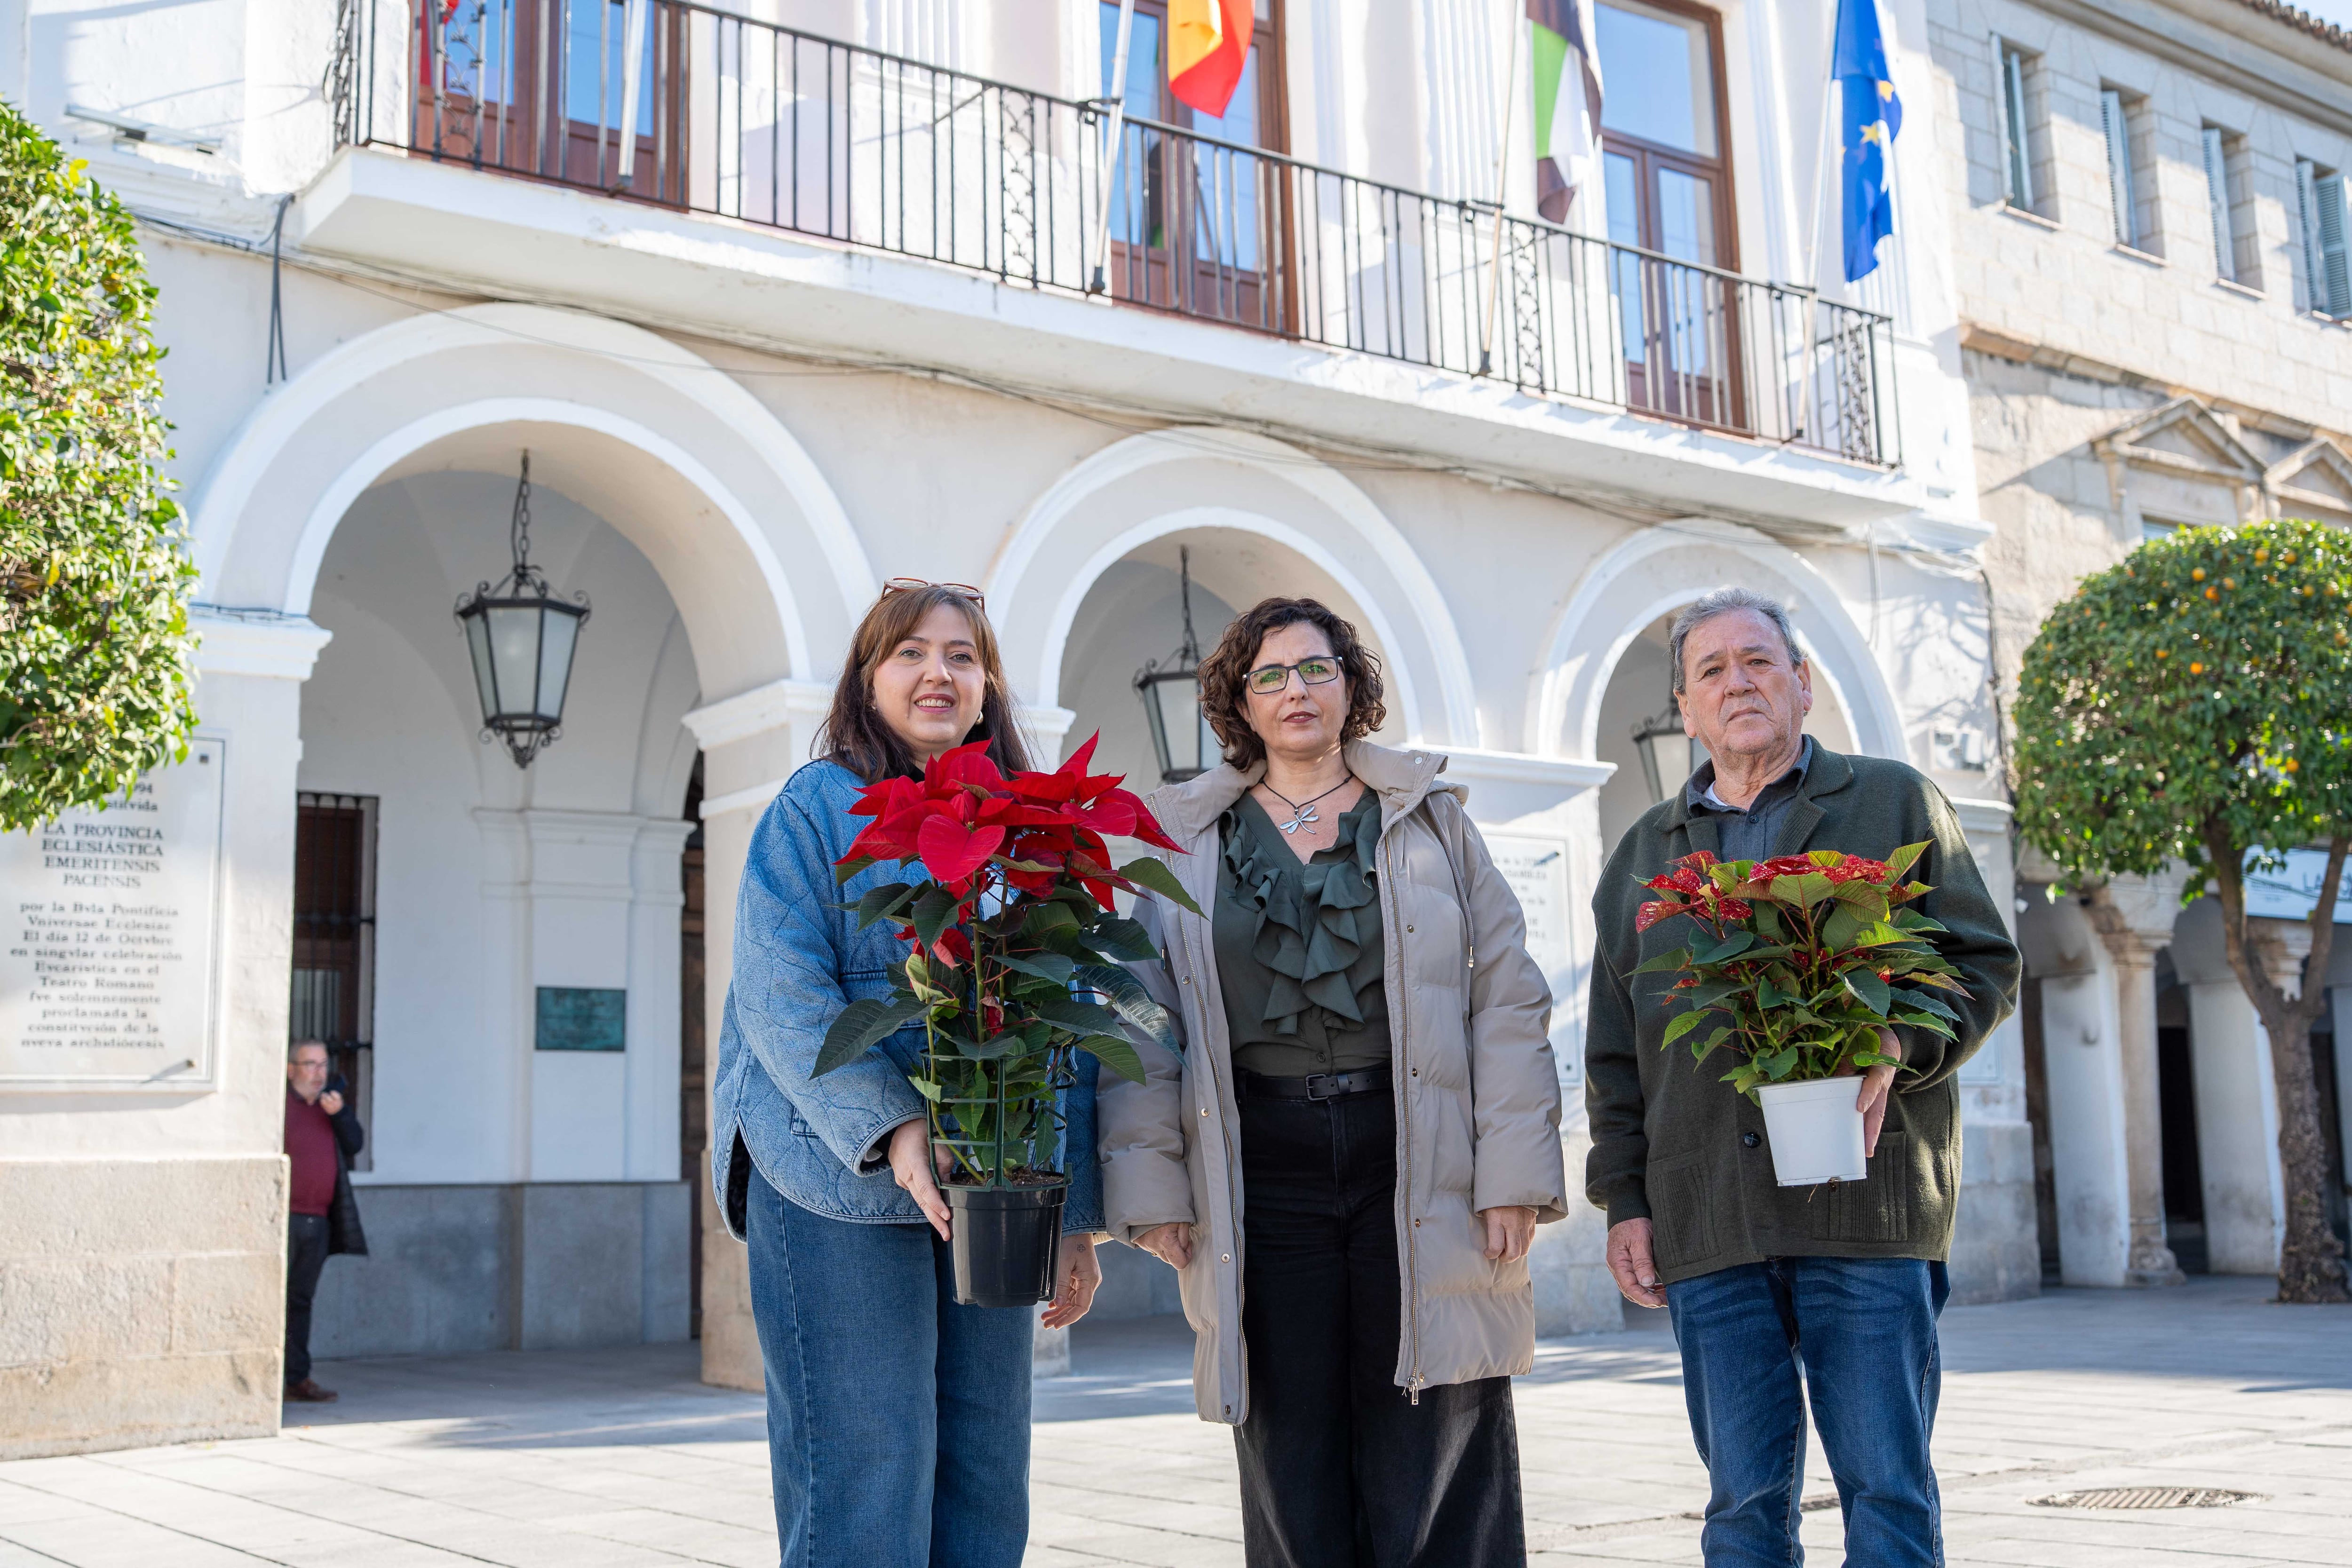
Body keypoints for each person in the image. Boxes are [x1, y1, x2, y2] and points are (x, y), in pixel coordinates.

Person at [1098, 595, 1565, 1568]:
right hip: (1259, 1167)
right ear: (1237, 701)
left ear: (1351, 687)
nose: (1295, 690)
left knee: (1438, 1415)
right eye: (1268, 674)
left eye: (1316, 667)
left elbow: (1506, 994)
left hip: (1419, 1146)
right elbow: (1141, 1019)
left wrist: (1514, 1173)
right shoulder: (1181, 836)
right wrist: (1151, 1189)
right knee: (1288, 1431)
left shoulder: (1429, 816)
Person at [1584, 587, 2022, 1566]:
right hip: (1710, 1217)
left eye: (1758, 660)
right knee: (1742, 1502)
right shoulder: (1642, 857)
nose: (1737, 681)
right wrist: (1623, 1197)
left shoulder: (1891, 801)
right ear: (1685, 709)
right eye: (1711, 669)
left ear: (1802, 685)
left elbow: (1983, 962)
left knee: (1887, 1492)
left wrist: (1898, 1042)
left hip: (1866, 1207)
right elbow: (1616, 1047)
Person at [712, 579, 1105, 1568]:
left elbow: (1067, 1017)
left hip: (993, 1189)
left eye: (962, 655)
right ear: (868, 678)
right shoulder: (819, 803)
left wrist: (1079, 1217)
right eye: (910, 653)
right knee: (863, 1475)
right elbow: (777, 985)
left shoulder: (1023, 826)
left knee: (984, 1475)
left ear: (987, 685)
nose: (938, 672)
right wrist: (892, 1123)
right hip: (833, 1182)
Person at [284, 1038, 366, 1403]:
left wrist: (341, 1114)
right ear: (291, 1071)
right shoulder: (277, 1108)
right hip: (281, 1218)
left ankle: (297, 1378)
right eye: (310, 1065)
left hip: (318, 1222)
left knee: (301, 1301)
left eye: (323, 1066)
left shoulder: (331, 1108)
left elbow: (355, 1145)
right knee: (273, 1300)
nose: (318, 1074)